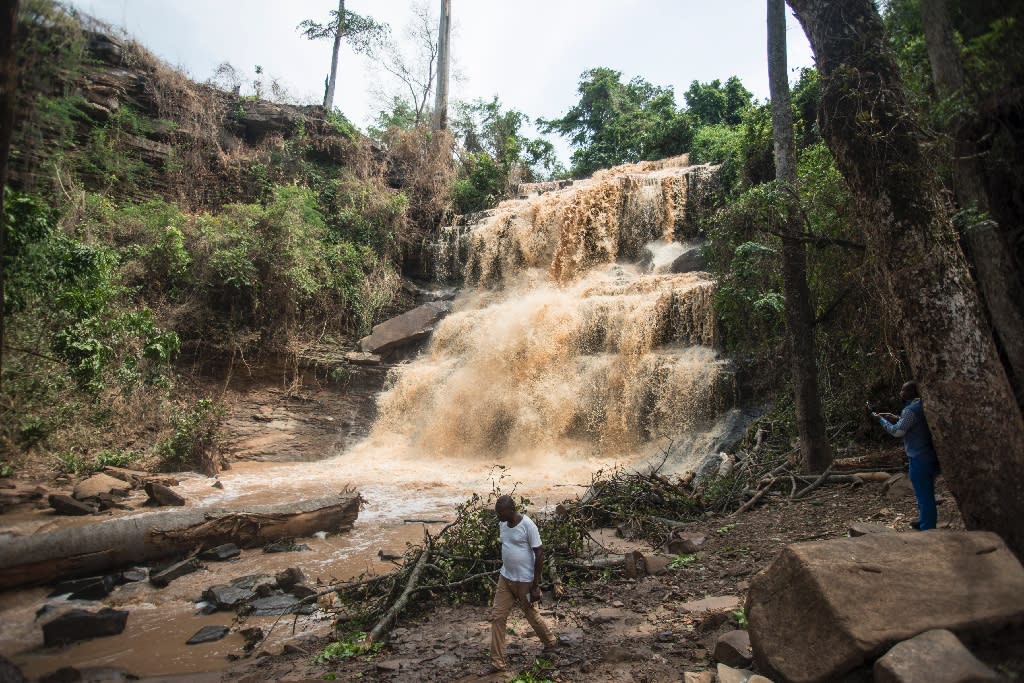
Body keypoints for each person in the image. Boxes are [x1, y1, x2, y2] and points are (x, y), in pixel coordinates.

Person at [489, 495, 559, 673]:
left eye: (501, 513)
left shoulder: (528, 525)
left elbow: (540, 554)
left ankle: (550, 641)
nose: (498, 516)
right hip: (505, 578)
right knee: (498, 616)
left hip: (525, 581)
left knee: (530, 613)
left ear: (510, 510)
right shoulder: (502, 524)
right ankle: (497, 662)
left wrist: (536, 585)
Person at [872, 381, 939, 530]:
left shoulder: (911, 410)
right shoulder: (925, 406)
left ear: (913, 392)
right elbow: (914, 424)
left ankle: (928, 528)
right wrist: (896, 418)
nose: (901, 393)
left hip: (918, 458)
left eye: (904, 390)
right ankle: (923, 520)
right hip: (932, 456)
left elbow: (897, 432)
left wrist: (881, 420)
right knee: (927, 491)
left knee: (924, 494)